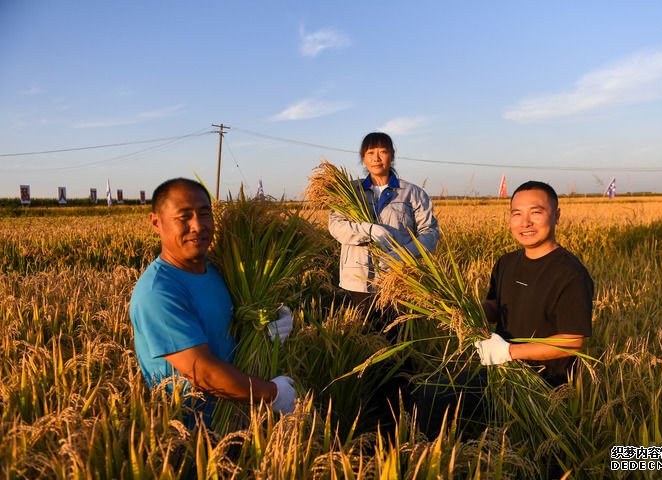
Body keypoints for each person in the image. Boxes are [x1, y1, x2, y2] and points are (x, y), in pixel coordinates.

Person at [416, 180, 593, 436]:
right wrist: (464, 311)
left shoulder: (570, 274)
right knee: (427, 394)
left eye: (536, 212)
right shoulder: (507, 263)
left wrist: (509, 351)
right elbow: (495, 306)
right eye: (517, 214)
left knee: (437, 400)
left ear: (557, 216)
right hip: (500, 370)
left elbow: (571, 342)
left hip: (540, 384)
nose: (525, 222)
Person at [129, 178, 296, 427]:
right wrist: (273, 393)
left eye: (205, 214)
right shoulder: (158, 292)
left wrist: (266, 332)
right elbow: (203, 373)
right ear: (156, 222)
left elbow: (229, 329)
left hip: (237, 419)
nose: (198, 226)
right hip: (193, 435)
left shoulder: (218, 270)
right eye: (184, 216)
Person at [328, 132, 439, 316]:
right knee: (361, 338)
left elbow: (430, 234)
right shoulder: (351, 191)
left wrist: (402, 255)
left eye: (383, 152)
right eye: (371, 152)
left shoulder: (412, 193)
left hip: (397, 281)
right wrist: (369, 230)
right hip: (357, 282)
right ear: (363, 157)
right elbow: (336, 226)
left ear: (392, 155)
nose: (376, 158)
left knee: (395, 338)